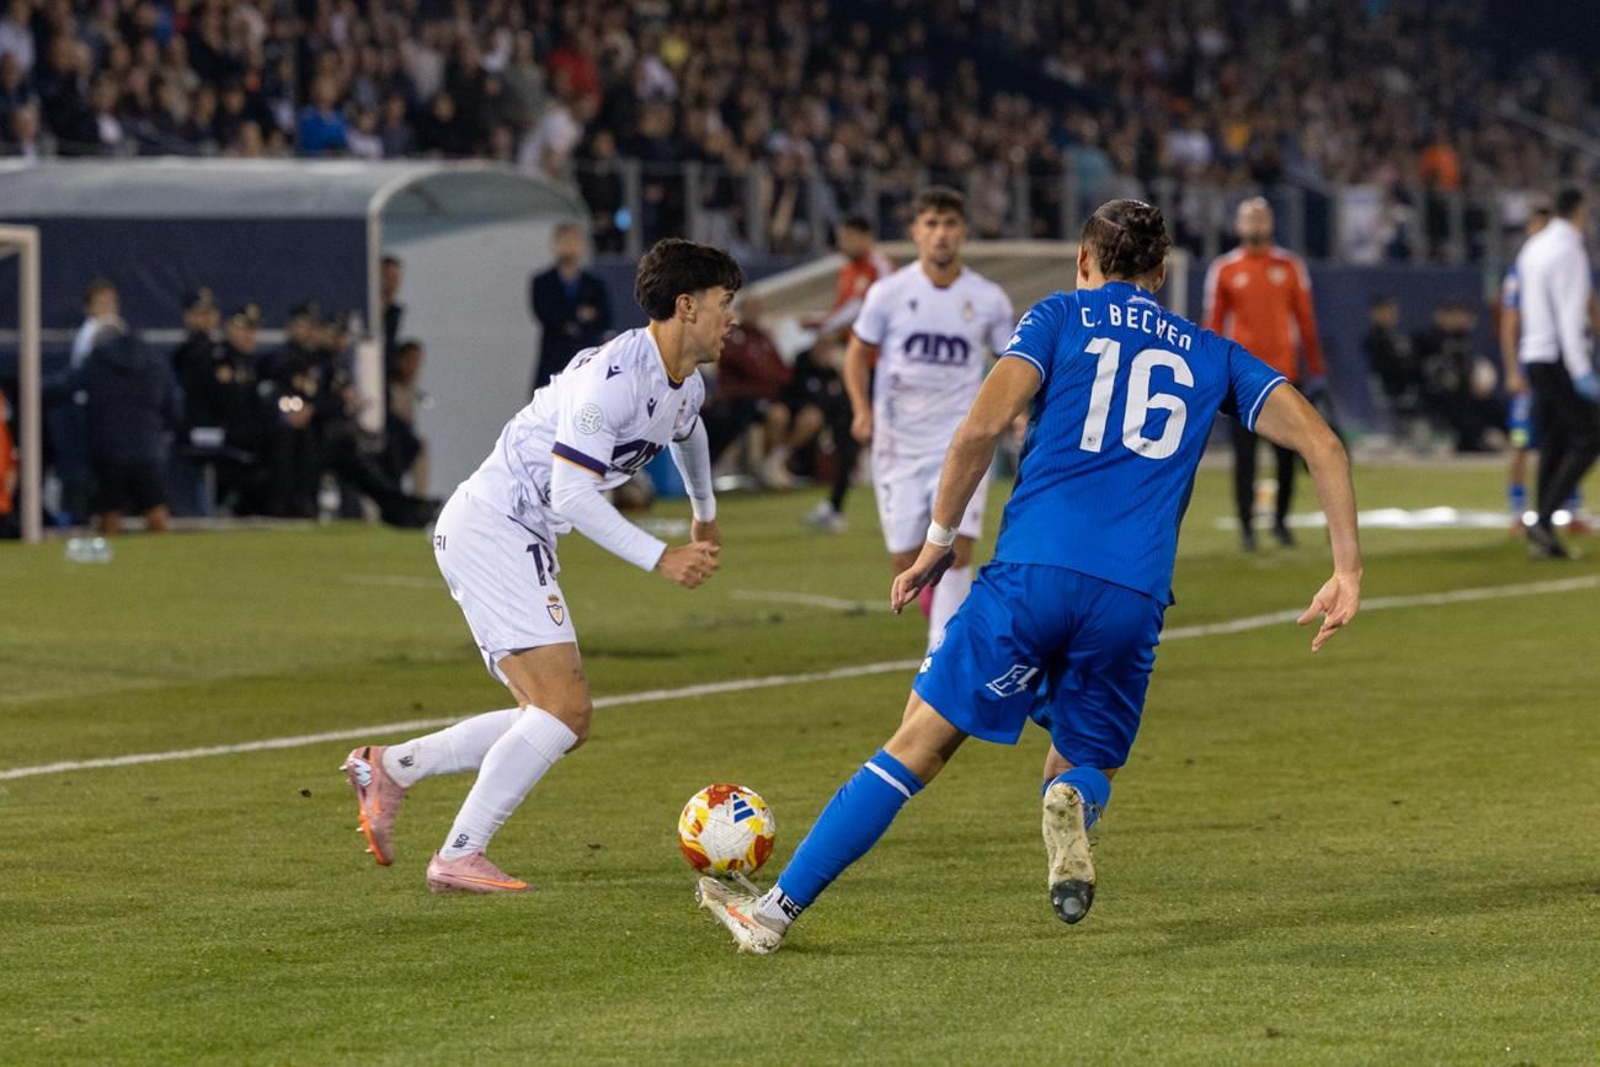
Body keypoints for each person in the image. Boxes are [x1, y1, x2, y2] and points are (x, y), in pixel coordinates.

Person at [697, 199, 1362, 955]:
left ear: (1085, 263)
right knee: (1088, 757)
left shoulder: (1058, 318)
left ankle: (775, 911)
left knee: (919, 741)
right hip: (1133, 594)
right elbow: (1325, 445)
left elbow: (979, 428)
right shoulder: (1213, 353)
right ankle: (1070, 798)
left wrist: (937, 543)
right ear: (1163, 272)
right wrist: (1345, 569)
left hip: (1033, 573)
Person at [342, 238, 737, 893]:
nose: (734, 318)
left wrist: (703, 511)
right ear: (687, 306)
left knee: (558, 720)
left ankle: (393, 766)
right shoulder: (608, 382)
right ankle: (458, 853)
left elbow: (689, 432)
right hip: (493, 525)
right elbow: (572, 492)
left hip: (516, 534)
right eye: (726, 304)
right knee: (562, 711)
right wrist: (660, 555)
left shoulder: (684, 384)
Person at [843, 186, 1016, 651]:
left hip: (962, 443)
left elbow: (1009, 365)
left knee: (958, 552)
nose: (941, 234)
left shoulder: (988, 298)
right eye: (932, 224)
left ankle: (942, 653)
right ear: (916, 232)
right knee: (906, 560)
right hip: (898, 445)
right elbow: (857, 354)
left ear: (963, 232)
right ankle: (936, 610)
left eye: (950, 224)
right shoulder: (889, 294)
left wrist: (1014, 416)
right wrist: (862, 409)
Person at [1204, 197, 1326, 550]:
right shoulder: (1224, 269)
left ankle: (1281, 522)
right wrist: (1212, 373)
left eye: (1261, 217)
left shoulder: (1290, 266)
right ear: (1238, 226)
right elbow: (1212, 324)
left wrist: (1316, 370)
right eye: (1248, 217)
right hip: (1241, 380)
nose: (1255, 223)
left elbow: (1306, 321)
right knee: (1244, 458)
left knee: (1287, 454)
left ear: (1271, 223)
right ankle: (1246, 527)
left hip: (1284, 375)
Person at [1514, 188, 1599, 559]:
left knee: (1554, 440)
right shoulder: (1569, 250)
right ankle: (1544, 518)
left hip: (1535, 353)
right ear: (1579, 211)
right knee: (1590, 436)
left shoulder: (1534, 246)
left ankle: (1542, 528)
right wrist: (1582, 371)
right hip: (1560, 356)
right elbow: (1570, 315)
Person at [801, 216, 894, 532]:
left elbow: (860, 310)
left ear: (865, 236)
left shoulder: (878, 268)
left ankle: (840, 507)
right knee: (849, 430)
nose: (844, 244)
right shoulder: (848, 271)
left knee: (876, 434)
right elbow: (845, 312)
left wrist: (822, 325)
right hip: (861, 367)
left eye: (849, 237)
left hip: (885, 367)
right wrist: (825, 324)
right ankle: (835, 507)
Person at [1500, 207, 1584, 532]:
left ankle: (1570, 508)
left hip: (1559, 366)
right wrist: (1511, 369)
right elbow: (1510, 322)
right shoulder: (1522, 270)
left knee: (1565, 433)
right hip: (1534, 367)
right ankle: (1518, 509)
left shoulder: (1557, 264)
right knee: (1522, 439)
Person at [79, 314, 180, 535]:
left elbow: (67, 388)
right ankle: (166, 561)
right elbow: (173, 406)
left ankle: (108, 562)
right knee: (156, 510)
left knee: (110, 513)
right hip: (147, 448)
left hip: (108, 449)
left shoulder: (96, 361)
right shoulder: (155, 360)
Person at [699, 293, 791, 482]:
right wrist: (765, 374)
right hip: (738, 398)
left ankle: (770, 463)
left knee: (792, 410)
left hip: (764, 397)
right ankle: (754, 467)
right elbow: (744, 366)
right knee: (777, 415)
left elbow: (783, 371)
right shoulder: (733, 336)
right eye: (751, 308)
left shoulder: (764, 338)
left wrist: (766, 373)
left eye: (758, 309)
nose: (755, 313)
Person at [530, 221, 613, 393]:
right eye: (565, 241)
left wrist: (568, 314)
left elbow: (605, 318)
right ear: (555, 245)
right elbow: (545, 314)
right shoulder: (542, 282)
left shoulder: (594, 284)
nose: (570, 246)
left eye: (574, 240)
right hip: (553, 367)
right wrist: (579, 313)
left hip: (587, 368)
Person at [379, 255, 405, 370]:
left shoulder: (394, 313)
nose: (392, 283)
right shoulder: (365, 312)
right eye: (387, 277)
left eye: (395, 278)